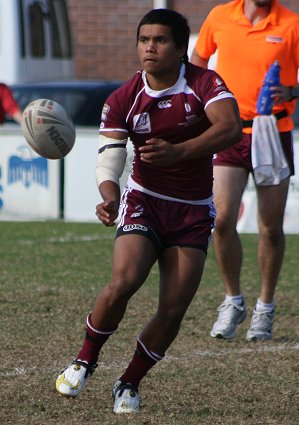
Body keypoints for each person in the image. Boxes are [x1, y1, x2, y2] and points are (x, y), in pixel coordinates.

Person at [55, 9, 242, 414]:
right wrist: (109, 196)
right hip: (144, 201)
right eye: (143, 40)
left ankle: (128, 383)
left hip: (192, 211)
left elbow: (229, 127)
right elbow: (109, 159)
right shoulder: (124, 97)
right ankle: (85, 359)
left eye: (159, 40)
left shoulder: (203, 83)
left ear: (180, 47)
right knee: (124, 280)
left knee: (174, 308)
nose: (149, 48)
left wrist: (179, 152)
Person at [191, 0, 299, 341]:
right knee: (221, 219)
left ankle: (265, 308)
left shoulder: (291, 24)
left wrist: (292, 91)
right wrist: (203, 102)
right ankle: (233, 300)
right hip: (229, 131)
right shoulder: (220, 16)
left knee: (270, 227)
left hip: (273, 131)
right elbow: (197, 62)